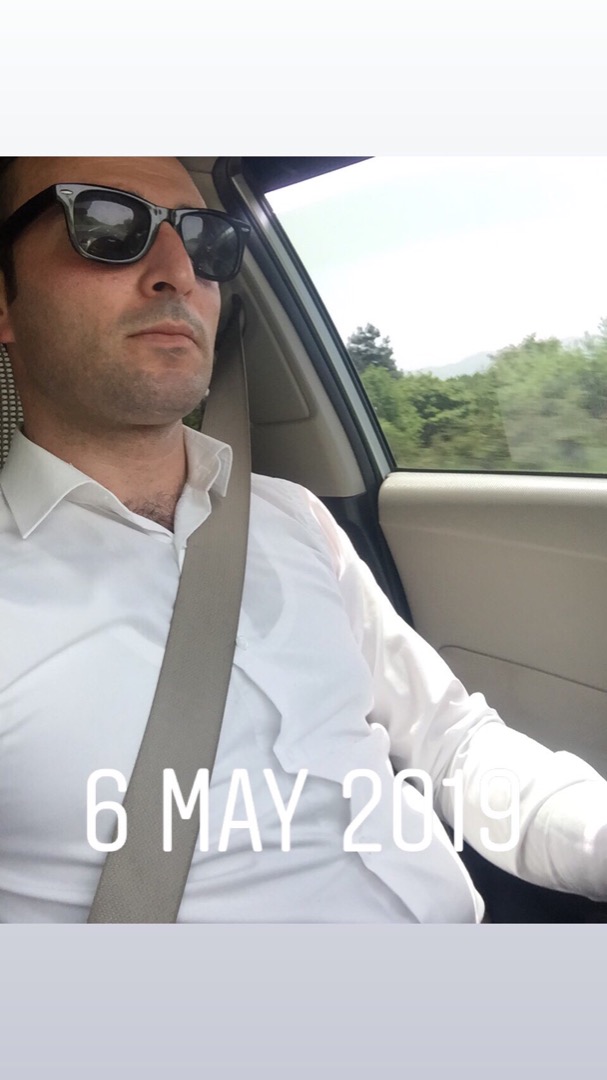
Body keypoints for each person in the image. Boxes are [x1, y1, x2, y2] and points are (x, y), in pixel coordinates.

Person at [0, 156, 606, 923]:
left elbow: (450, 742)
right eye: (107, 225)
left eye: (204, 238)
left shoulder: (293, 518)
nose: (178, 271)